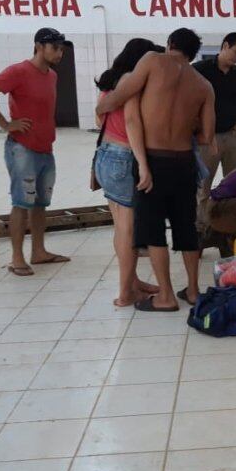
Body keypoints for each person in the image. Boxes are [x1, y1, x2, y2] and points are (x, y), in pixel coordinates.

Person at [95, 28, 215, 312]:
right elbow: (207, 136)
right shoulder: (203, 84)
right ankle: (194, 291)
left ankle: (166, 296)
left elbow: (119, 97)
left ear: (170, 44)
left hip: (152, 160)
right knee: (186, 227)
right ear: (193, 53)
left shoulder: (151, 60)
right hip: (184, 163)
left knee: (153, 230)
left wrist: (105, 107)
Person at [0, 27, 72, 276]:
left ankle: (38, 251)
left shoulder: (51, 75)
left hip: (45, 148)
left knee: (40, 203)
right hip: (22, 148)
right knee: (21, 202)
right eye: (55, 48)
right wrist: (5, 124)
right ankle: (17, 257)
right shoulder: (18, 71)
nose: (59, 53)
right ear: (39, 46)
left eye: (61, 48)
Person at [94, 38, 165, 306]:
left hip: (105, 155)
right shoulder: (130, 81)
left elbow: (99, 117)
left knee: (120, 227)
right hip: (124, 157)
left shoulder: (110, 82)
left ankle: (133, 281)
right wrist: (143, 164)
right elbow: (132, 121)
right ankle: (125, 293)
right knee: (127, 228)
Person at [193, 32, 236, 231]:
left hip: (232, 136)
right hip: (206, 138)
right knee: (203, 188)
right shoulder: (199, 70)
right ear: (224, 46)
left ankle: (230, 228)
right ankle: (203, 229)